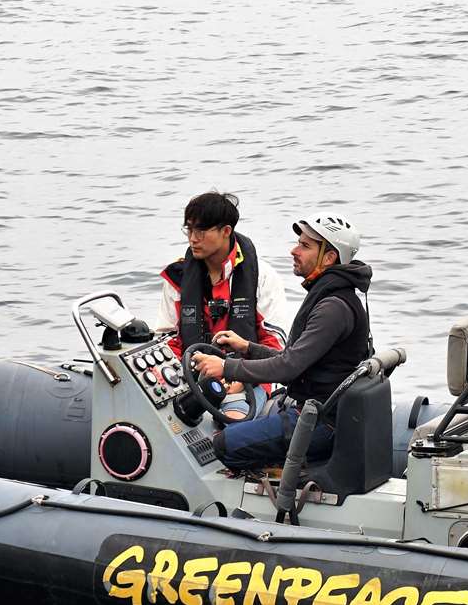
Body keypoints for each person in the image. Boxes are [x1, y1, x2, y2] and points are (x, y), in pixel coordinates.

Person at [190, 212, 372, 471]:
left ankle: (276, 483)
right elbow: (295, 359)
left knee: (222, 445)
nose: (293, 250)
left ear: (329, 257)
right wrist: (247, 347)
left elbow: (289, 368)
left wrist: (226, 367)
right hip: (319, 412)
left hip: (320, 424)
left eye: (305, 246)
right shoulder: (333, 296)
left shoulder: (333, 308)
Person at [155, 192, 288, 420]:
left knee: (234, 424)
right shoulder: (177, 278)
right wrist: (181, 377)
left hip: (248, 381)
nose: (192, 239)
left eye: (201, 231)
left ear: (226, 231)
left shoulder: (263, 276)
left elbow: (275, 343)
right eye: (189, 230)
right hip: (191, 379)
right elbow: (167, 340)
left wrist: (242, 377)